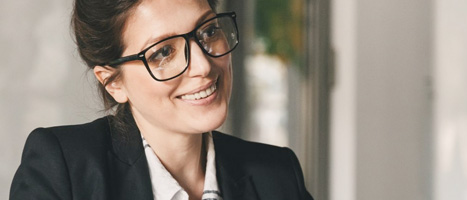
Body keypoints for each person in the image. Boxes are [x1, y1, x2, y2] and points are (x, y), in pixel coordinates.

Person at [9, 0, 313, 199]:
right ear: (113, 82)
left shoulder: (277, 175)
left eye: (208, 31)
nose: (204, 66)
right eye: (163, 52)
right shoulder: (64, 172)